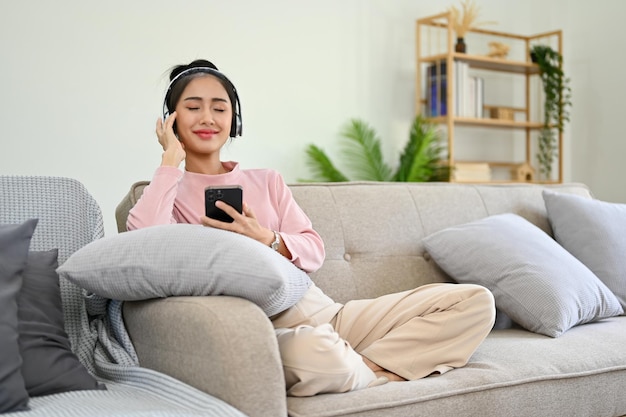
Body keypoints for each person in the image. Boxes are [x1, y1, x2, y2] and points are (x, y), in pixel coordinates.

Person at [127, 59, 496, 397]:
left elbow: (314, 249)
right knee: (320, 354)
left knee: (476, 302)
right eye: (193, 108)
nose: (207, 117)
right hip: (269, 330)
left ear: (234, 120)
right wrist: (168, 164)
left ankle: (363, 368)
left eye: (219, 108)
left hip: (329, 313)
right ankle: (375, 366)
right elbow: (142, 245)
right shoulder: (162, 192)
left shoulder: (267, 180)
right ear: (171, 120)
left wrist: (267, 239)